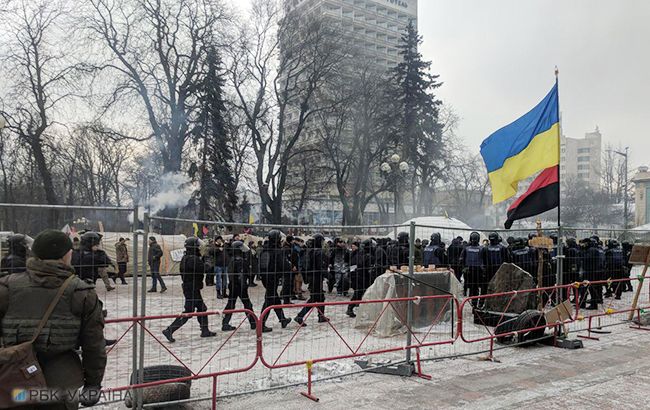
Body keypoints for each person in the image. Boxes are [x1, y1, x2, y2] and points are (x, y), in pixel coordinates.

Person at [0, 229, 106, 409]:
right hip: (60, 382)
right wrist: (93, 384)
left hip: (13, 379)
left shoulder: (6, 288)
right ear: (66, 255)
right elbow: (93, 344)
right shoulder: (81, 292)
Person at [162, 237, 216, 342]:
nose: (199, 247)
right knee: (190, 311)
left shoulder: (187, 257)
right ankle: (169, 330)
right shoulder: (192, 259)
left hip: (190, 287)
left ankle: (205, 330)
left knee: (201, 309)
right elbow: (205, 268)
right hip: (192, 288)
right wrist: (208, 260)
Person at [258, 230, 292, 332]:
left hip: (265, 278)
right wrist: (289, 266)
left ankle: (282, 319)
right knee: (269, 300)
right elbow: (284, 265)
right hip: (273, 278)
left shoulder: (264, 250)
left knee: (275, 299)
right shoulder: (277, 251)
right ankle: (261, 324)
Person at [295, 233, 330, 326]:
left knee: (320, 297)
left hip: (311, 277)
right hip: (317, 278)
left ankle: (321, 316)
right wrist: (328, 275)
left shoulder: (309, 250)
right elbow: (320, 267)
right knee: (314, 298)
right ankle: (300, 316)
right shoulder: (319, 252)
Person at [222, 241, 256, 331]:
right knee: (247, 304)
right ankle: (253, 323)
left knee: (231, 304)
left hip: (233, 285)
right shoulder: (239, 260)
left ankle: (225, 323)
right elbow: (241, 275)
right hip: (240, 286)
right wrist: (244, 285)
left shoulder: (233, 259)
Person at [347, 239, 374, 318]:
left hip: (357, 277)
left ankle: (352, 308)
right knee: (360, 294)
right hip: (363, 278)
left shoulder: (358, 254)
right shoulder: (367, 256)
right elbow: (369, 269)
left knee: (359, 294)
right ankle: (350, 308)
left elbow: (352, 266)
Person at [460, 232, 484, 306]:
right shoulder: (482, 249)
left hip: (469, 270)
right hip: (478, 271)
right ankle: (476, 303)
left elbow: (461, 259)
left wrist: (463, 268)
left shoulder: (466, 248)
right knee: (477, 287)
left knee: (471, 286)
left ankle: (472, 301)